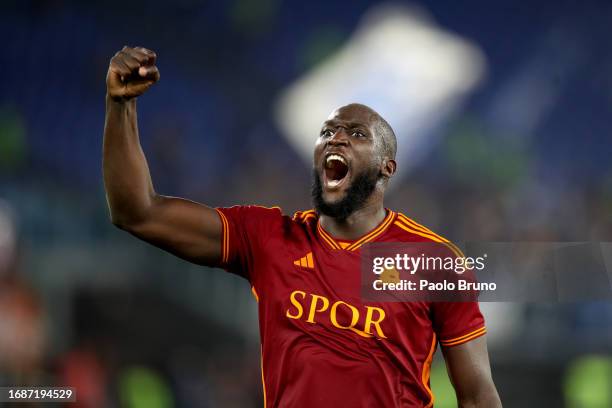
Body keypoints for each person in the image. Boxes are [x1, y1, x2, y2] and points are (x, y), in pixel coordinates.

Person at [103, 46, 502, 407]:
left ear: (387, 167)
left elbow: (478, 396)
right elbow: (137, 212)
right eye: (327, 131)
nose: (336, 139)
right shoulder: (268, 237)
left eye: (356, 134)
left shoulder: (434, 263)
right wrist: (120, 107)